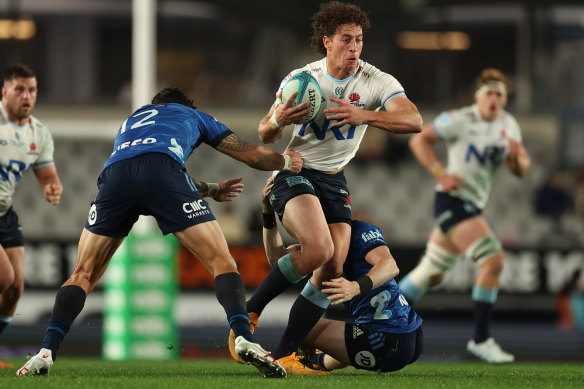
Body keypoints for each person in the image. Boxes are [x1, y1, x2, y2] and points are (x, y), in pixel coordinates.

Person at [17, 87, 303, 378]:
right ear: (186, 105)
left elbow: (147, 164)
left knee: (83, 273)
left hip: (116, 176)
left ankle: (46, 351)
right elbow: (251, 156)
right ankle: (243, 337)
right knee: (222, 262)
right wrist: (288, 162)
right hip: (163, 174)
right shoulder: (193, 115)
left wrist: (212, 189)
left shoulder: (132, 121)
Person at [229, 1, 422, 370]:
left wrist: (364, 114)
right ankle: (248, 313)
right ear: (327, 42)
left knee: (332, 265)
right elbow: (265, 131)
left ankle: (284, 355)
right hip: (294, 171)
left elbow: (414, 120)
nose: (355, 48)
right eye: (346, 40)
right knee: (318, 249)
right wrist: (277, 121)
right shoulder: (302, 78)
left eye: (360, 40)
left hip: (334, 179)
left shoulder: (375, 80)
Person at [398, 68, 531, 363]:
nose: (494, 99)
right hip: (453, 200)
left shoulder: (509, 125)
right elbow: (418, 140)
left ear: (505, 100)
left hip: (473, 203)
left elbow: (520, 171)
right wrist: (440, 173)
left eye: (500, 94)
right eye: (490, 93)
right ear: (478, 97)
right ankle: (481, 339)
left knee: (429, 273)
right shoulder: (459, 119)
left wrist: (517, 156)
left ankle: (378, 318)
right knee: (493, 259)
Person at [256, 177, 424, 375]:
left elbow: (390, 266)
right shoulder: (321, 246)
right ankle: (317, 363)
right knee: (342, 332)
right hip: (407, 335)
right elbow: (277, 260)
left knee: (303, 326)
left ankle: (303, 362)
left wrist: (355, 287)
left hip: (387, 337)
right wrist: (267, 212)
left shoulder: (359, 231)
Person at [0, 64, 63, 368]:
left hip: (4, 213)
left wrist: (52, 187)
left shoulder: (38, 133)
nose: (27, 96)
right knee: (4, 277)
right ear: (4, 92)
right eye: (20, 89)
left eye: (32, 90)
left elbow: (47, 174)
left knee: (15, 288)